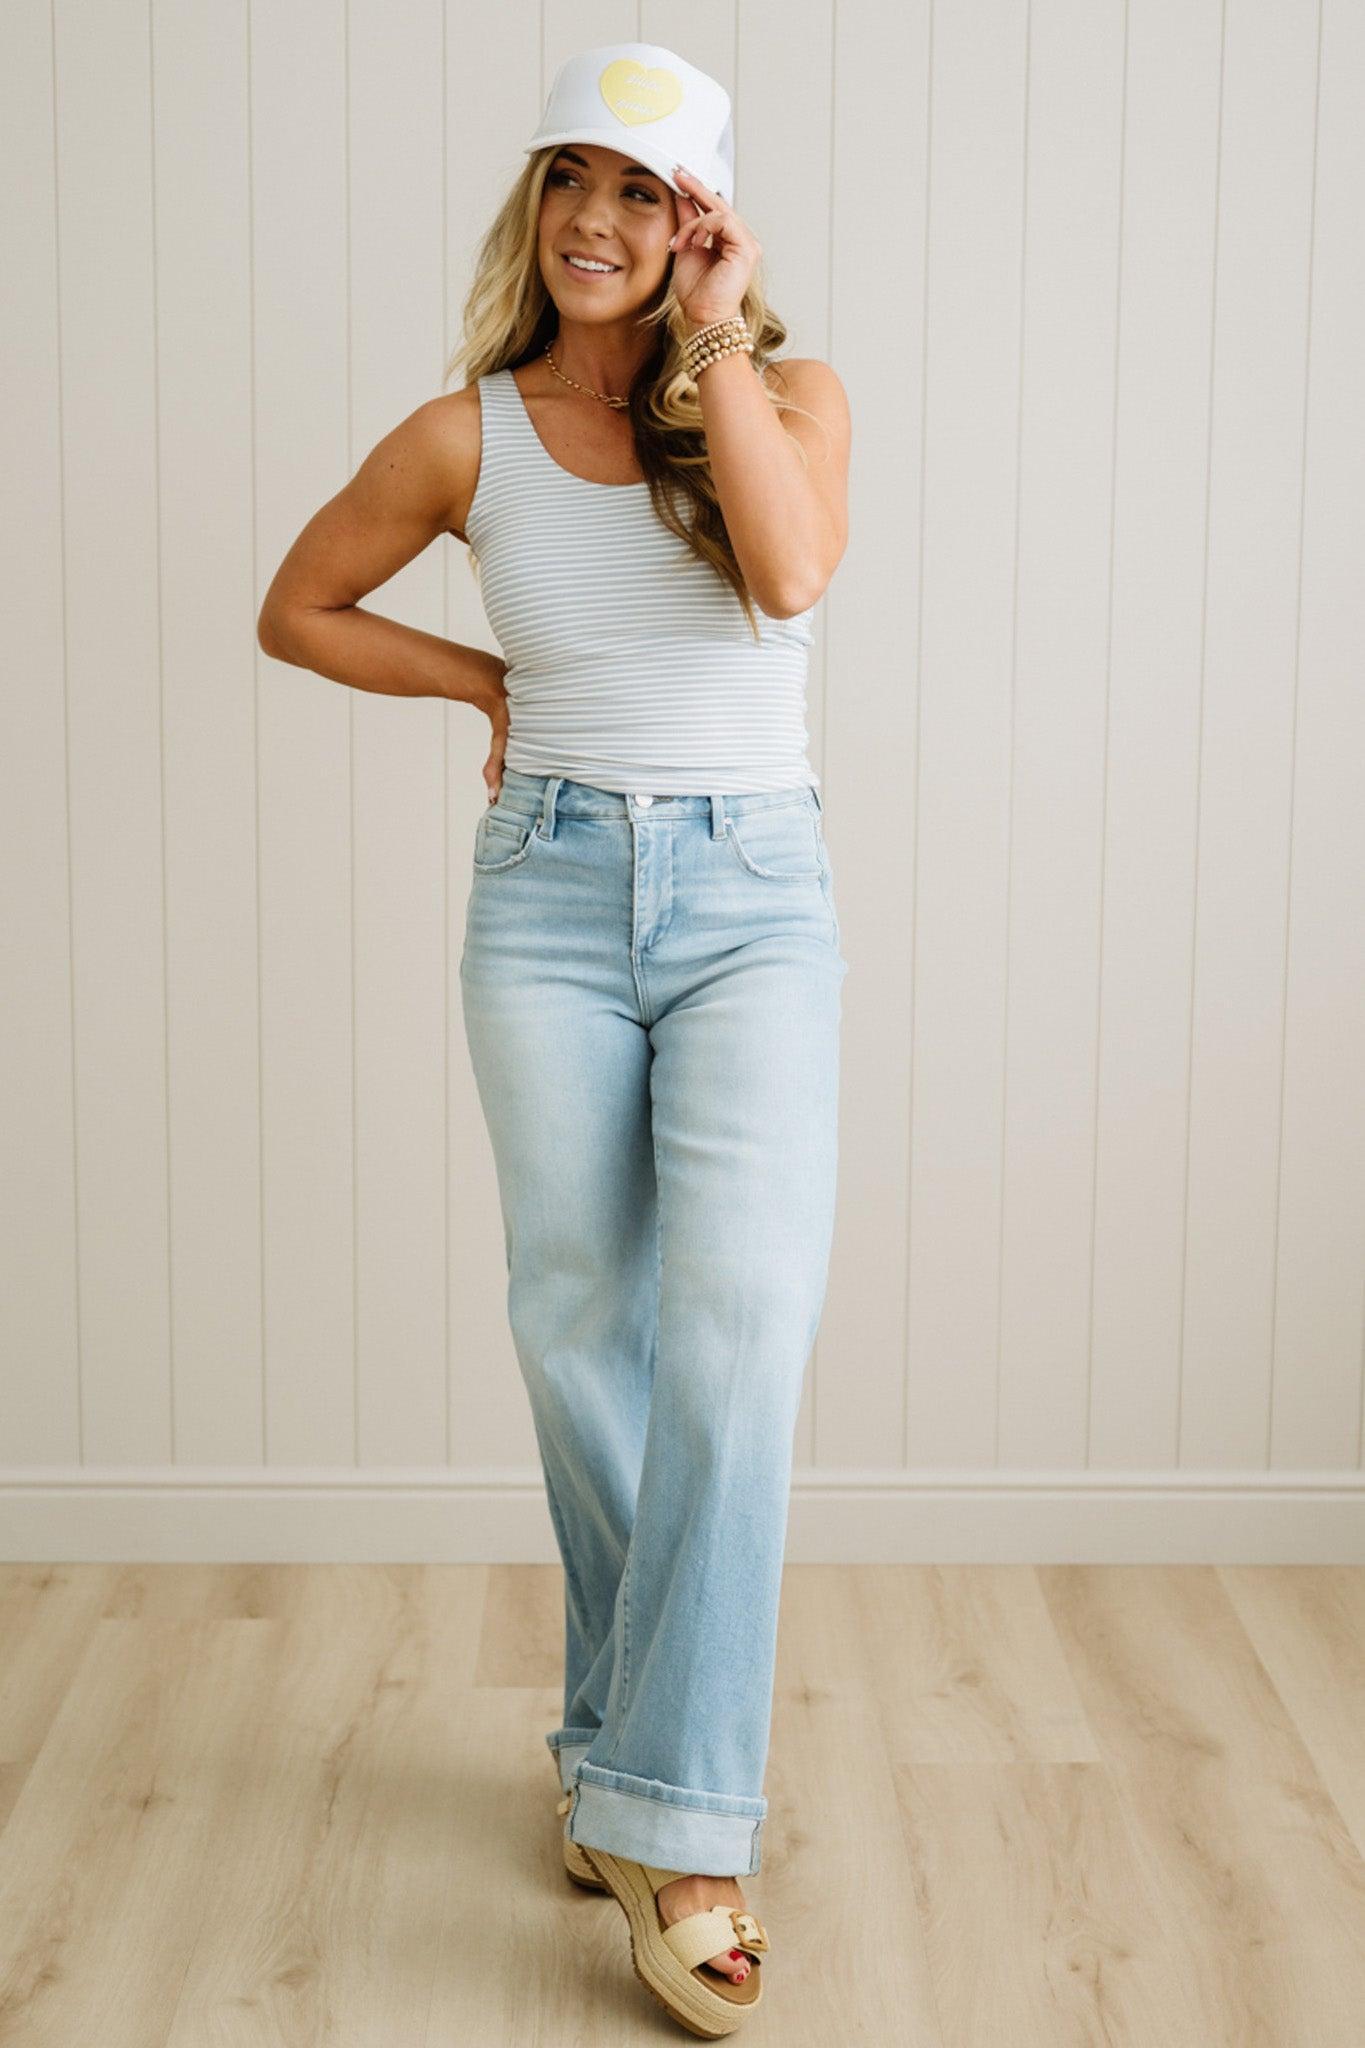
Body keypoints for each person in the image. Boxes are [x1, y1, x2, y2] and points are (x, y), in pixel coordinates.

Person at [257, 40, 850, 2037]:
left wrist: (715, 343)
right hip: (547, 891)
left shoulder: (792, 397)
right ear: (532, 208)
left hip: (756, 899)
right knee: (577, 1311)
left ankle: (677, 1823)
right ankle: (627, 1764)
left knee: (735, 1324)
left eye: (641, 187)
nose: (592, 216)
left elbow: (785, 572)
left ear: (700, 220)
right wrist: (484, 674)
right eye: (565, 179)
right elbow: (300, 605)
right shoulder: (465, 434)